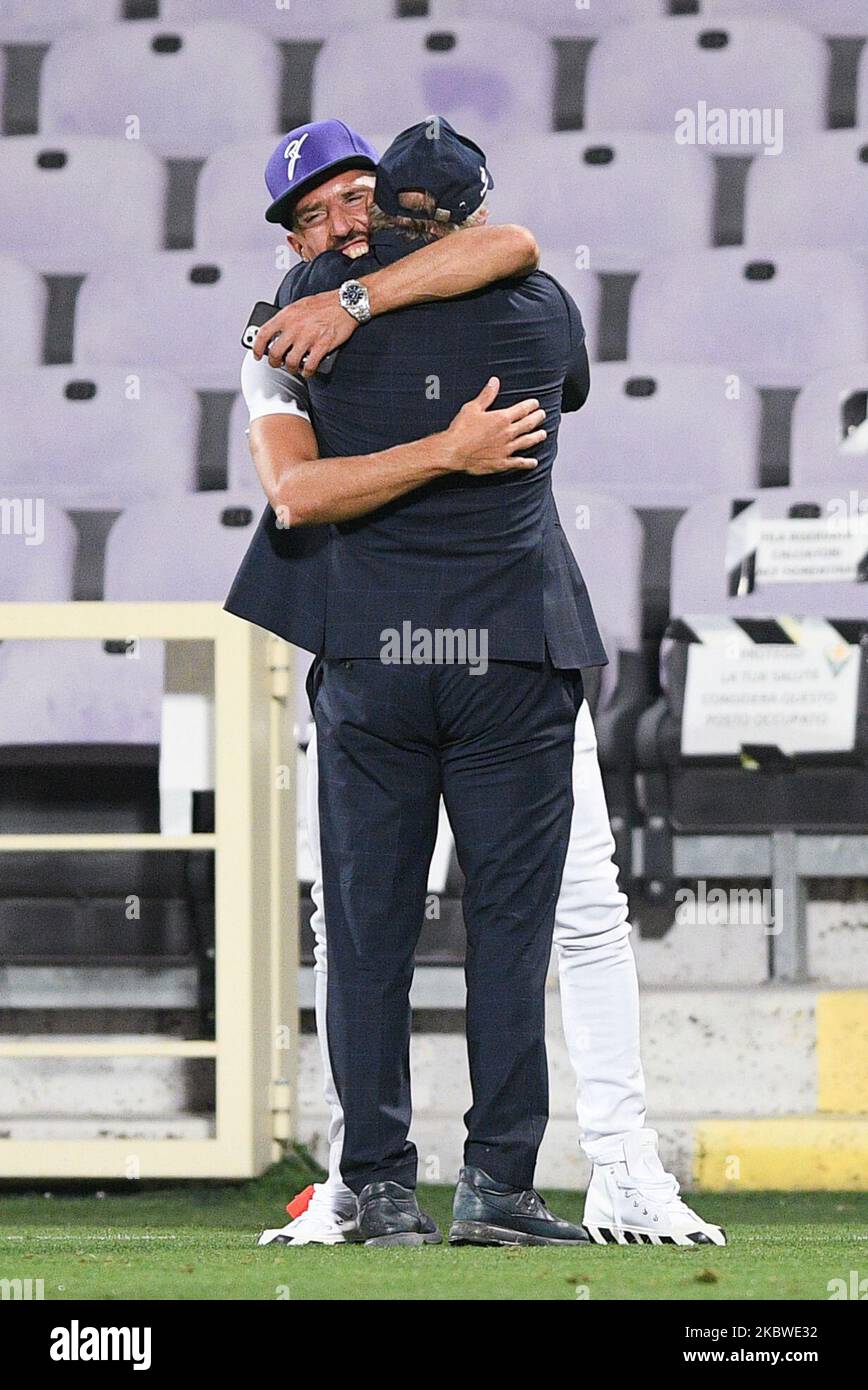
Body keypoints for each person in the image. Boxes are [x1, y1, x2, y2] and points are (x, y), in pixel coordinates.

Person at [227, 118, 725, 1249]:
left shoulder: (293, 326)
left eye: (352, 198)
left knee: (369, 929)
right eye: (313, 216)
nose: (337, 225)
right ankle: (500, 1182)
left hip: (377, 654)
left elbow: (305, 492)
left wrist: (350, 303)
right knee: (527, 920)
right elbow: (515, 251)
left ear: (386, 198)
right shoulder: (536, 305)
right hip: (511, 651)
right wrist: (446, 449)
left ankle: (387, 1183)